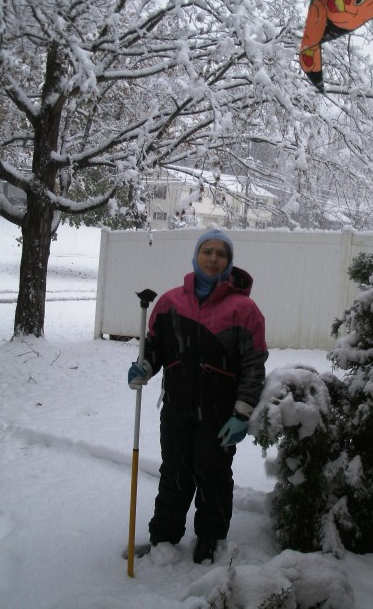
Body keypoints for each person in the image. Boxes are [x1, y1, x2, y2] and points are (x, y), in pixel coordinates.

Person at [128, 227, 268, 564]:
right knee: (174, 474)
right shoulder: (170, 303)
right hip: (176, 406)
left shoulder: (244, 309)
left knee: (213, 475)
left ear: (229, 262)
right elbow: (156, 347)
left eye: (221, 254)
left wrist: (242, 412)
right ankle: (164, 538)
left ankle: (210, 539)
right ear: (196, 256)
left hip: (220, 413)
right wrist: (145, 366)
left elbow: (253, 365)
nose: (213, 258)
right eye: (208, 251)